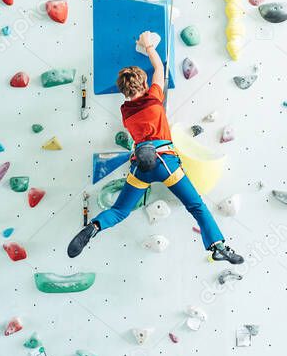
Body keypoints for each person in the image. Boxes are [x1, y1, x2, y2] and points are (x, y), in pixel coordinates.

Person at [68, 31, 244, 264]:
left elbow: (139, 92)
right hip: (164, 161)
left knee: (120, 211)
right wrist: (148, 46)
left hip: (141, 166)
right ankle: (217, 246)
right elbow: (159, 70)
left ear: (123, 91)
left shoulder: (125, 112)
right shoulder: (153, 98)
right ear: (143, 83)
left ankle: (94, 226)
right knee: (196, 205)